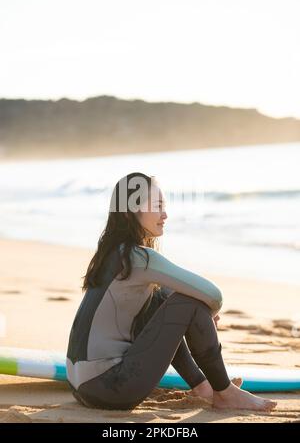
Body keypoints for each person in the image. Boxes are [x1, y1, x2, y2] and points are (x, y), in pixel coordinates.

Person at [66, 172, 277, 412]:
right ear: (129, 212)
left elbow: (173, 299)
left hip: (81, 385)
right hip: (112, 387)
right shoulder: (139, 258)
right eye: (157, 206)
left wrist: (195, 313)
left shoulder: (111, 255)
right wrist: (204, 314)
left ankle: (203, 386)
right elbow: (213, 295)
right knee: (188, 304)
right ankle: (225, 392)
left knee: (164, 301)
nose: (165, 214)